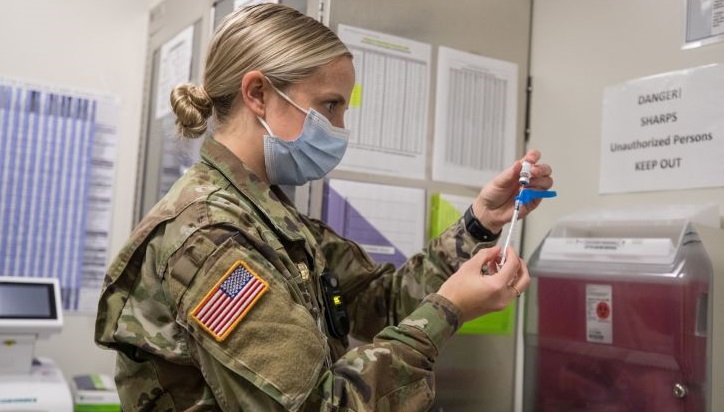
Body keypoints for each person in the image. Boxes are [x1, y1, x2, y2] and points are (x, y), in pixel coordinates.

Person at [94, 4, 554, 411]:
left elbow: (385, 302)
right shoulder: (210, 239)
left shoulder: (271, 218)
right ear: (257, 94)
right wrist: (449, 310)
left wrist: (479, 223)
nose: (340, 128)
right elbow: (324, 404)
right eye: (329, 106)